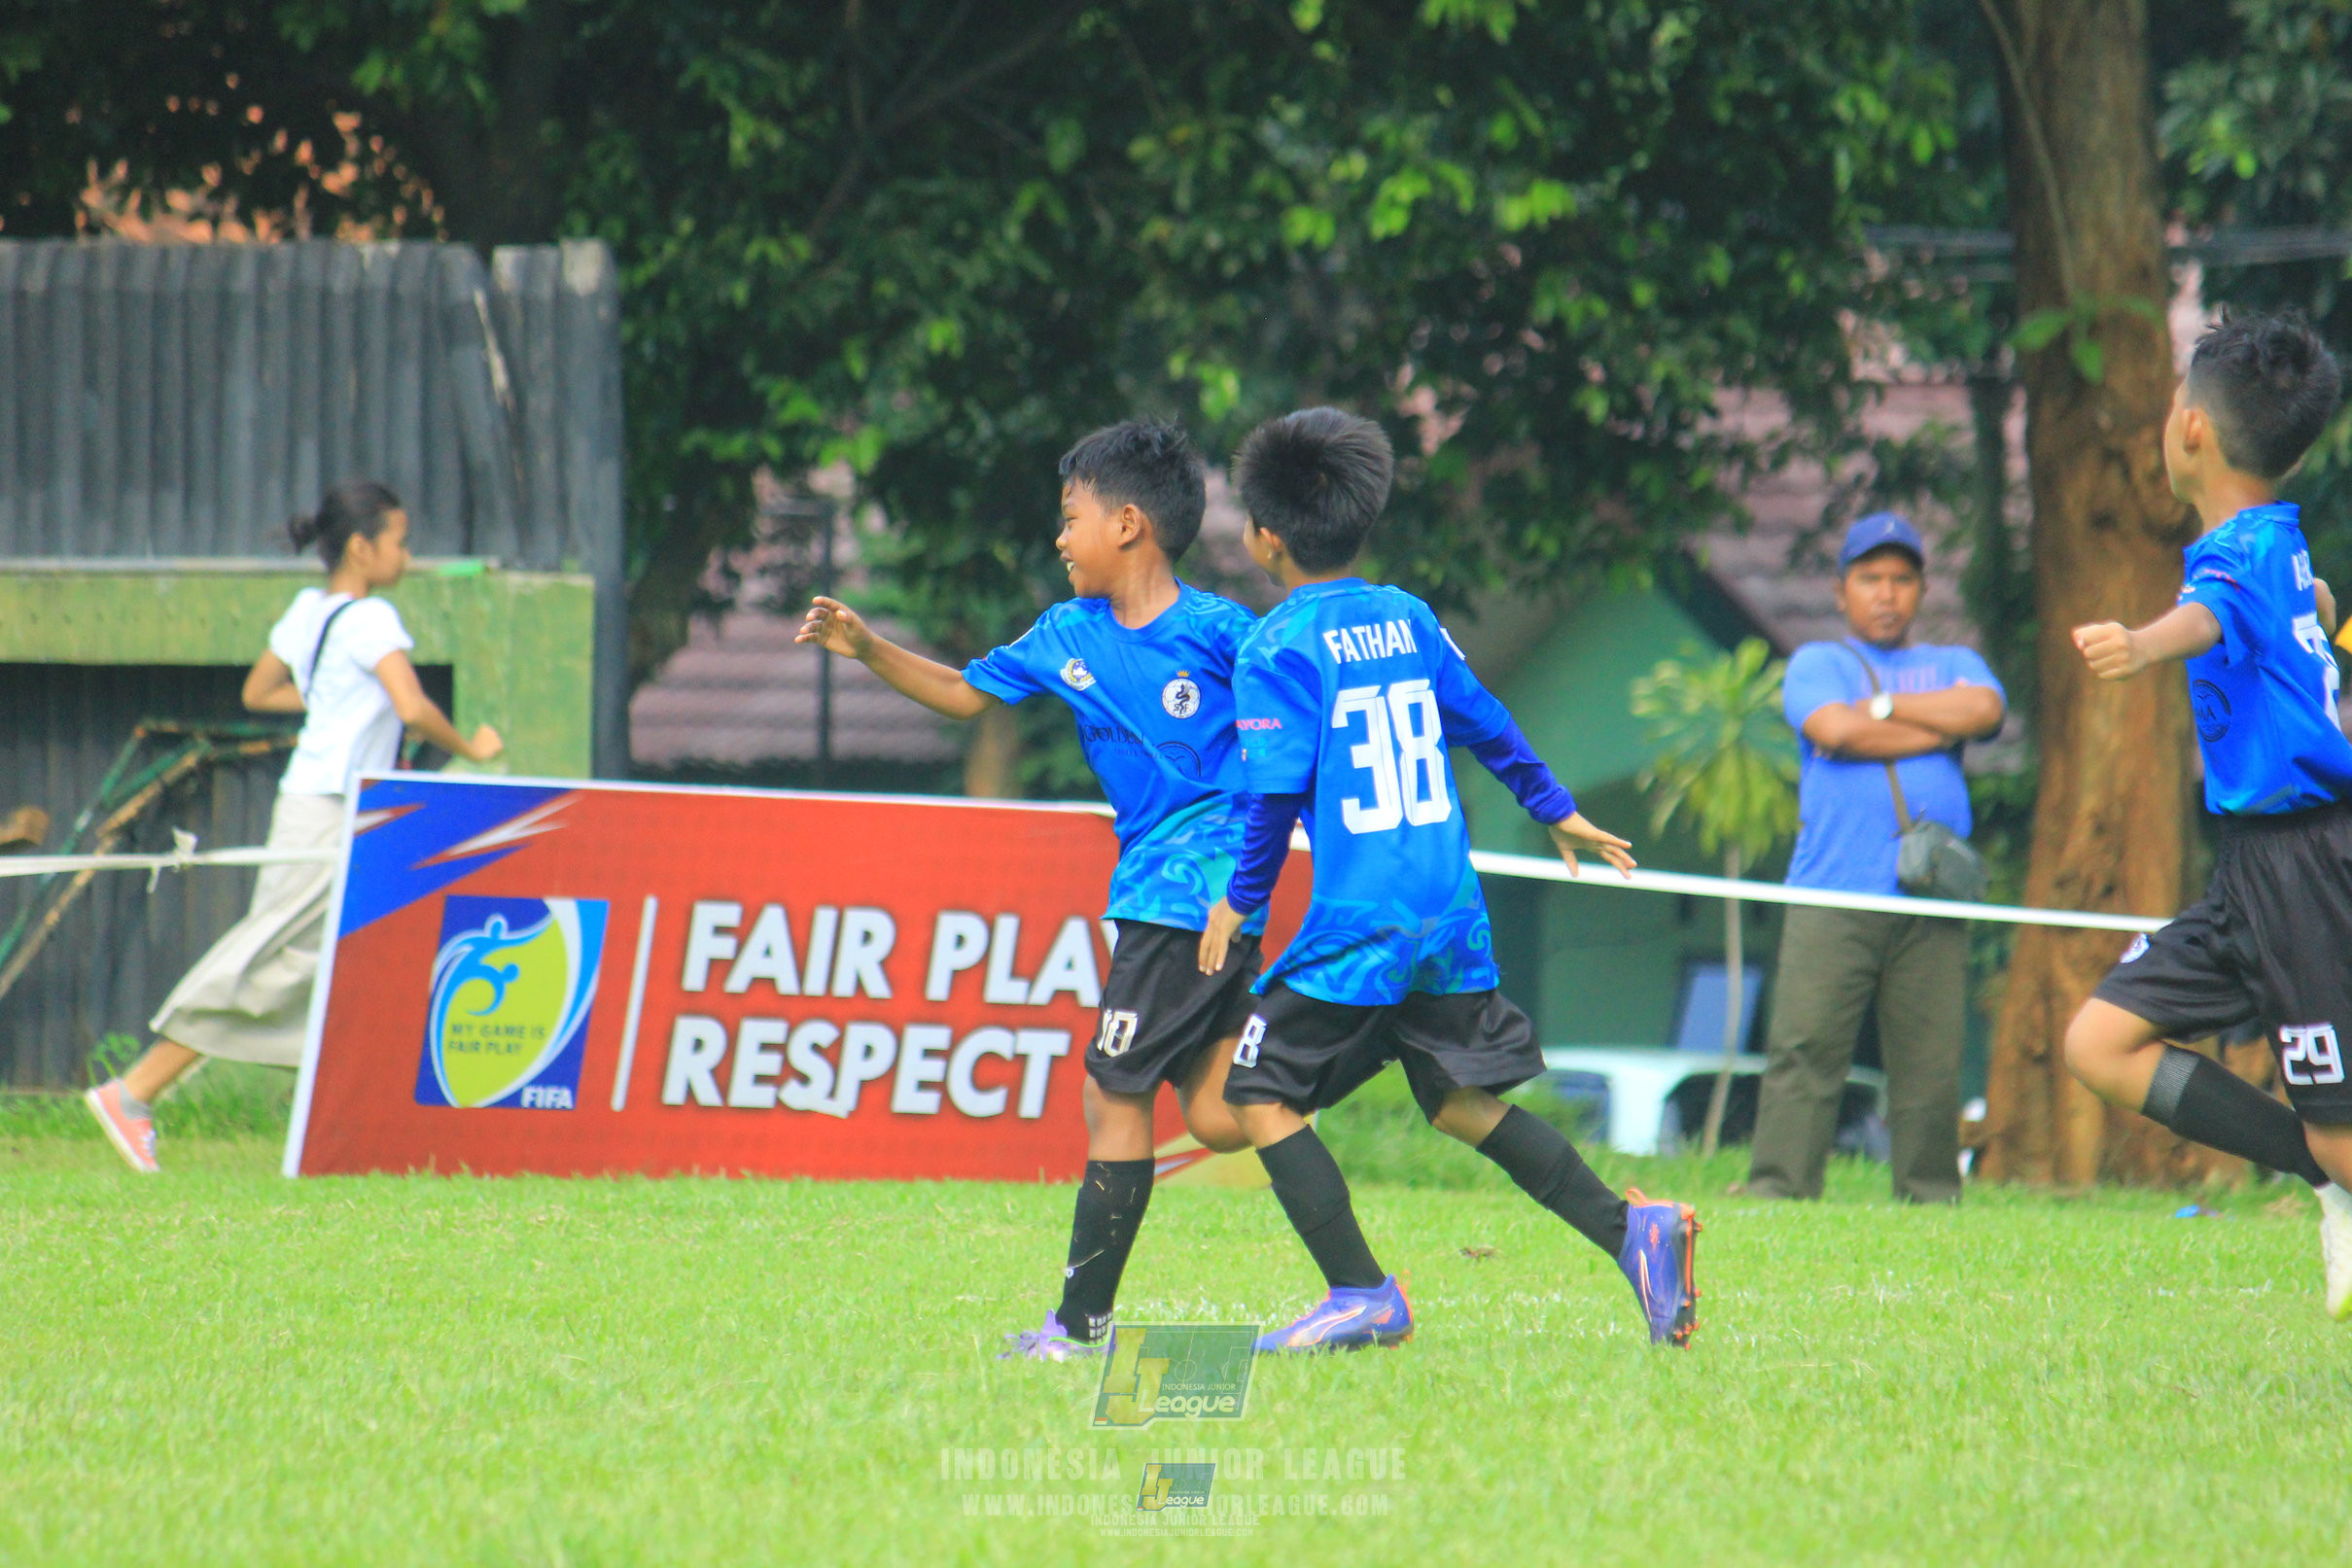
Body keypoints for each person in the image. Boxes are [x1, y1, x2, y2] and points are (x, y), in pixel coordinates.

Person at [1198, 406, 1702, 1351]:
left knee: (1258, 1090)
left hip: (1365, 919)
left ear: (1265, 536)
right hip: (1446, 910)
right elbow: (1485, 719)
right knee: (1458, 1102)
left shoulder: (1274, 647)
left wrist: (1241, 900)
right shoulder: (1407, 617)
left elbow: (1270, 800)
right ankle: (1630, 1231)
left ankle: (1360, 1292)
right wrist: (1551, 804)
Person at [796, 421, 1265, 1360]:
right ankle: (1351, 1042)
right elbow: (965, 693)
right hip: (1163, 890)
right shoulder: (1065, 633)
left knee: (1112, 1093)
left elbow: (1295, 725)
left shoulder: (1224, 634)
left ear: (1127, 524)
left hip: (1190, 891)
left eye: (1070, 517)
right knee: (1219, 1116)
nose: (1059, 538)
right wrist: (870, 648)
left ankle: (1080, 1329)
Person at [2063, 311, 2352, 1321]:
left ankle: (2333, 1169)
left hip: (2304, 864)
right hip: (2251, 866)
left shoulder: (2235, 553)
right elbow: (2303, 603)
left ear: (2190, 429)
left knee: (2343, 1130)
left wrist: (2142, 644)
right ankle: (2322, 1179)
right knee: (2098, 1043)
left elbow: (2213, 613)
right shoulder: (2279, 540)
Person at [84, 480, 504, 1171]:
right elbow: (412, 706)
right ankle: (134, 1090)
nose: (407, 556)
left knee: (325, 966)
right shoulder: (372, 619)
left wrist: (335, 702)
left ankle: (352, 1128)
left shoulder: (310, 610)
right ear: (362, 547)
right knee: (266, 961)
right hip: (330, 811)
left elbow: (259, 690)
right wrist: (472, 748)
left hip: (318, 805)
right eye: (400, 541)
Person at [1743, 513, 2007, 1204]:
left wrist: (1882, 708)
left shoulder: (1954, 661)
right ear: (1841, 591)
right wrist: (1932, 725)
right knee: (1805, 1051)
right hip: (1833, 892)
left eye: (1900, 579)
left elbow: (1983, 710)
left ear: (1921, 589)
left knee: (1930, 1065)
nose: (1886, 593)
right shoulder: (1818, 662)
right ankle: (1778, 1193)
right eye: (1869, 579)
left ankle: (1930, 1201)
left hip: (1930, 893)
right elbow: (1834, 728)